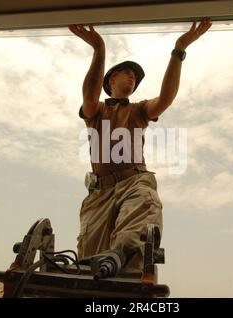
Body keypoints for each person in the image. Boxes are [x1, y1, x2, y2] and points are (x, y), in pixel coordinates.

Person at [69, 18, 212, 270]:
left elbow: (166, 98)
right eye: (127, 73)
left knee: (132, 236)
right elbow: (89, 96)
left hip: (135, 181)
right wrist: (99, 49)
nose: (132, 77)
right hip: (100, 191)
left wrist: (179, 49)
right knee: (88, 260)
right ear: (111, 79)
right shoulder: (97, 110)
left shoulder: (139, 109)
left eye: (135, 77)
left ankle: (127, 266)